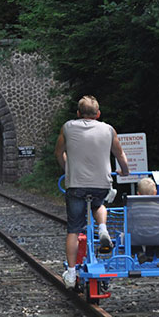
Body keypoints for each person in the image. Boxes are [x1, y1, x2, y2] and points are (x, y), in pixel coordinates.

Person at [55, 95, 130, 288]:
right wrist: (125, 171)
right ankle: (103, 228)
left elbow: (58, 152)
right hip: (101, 183)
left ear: (78, 113)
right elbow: (119, 154)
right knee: (99, 204)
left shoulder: (68, 127)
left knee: (73, 228)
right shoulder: (108, 129)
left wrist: (66, 167)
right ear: (98, 114)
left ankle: (71, 274)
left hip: (76, 184)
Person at [128, 177, 159, 265]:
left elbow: (129, 224)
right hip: (155, 237)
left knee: (130, 236)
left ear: (138, 194)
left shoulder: (134, 207)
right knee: (156, 235)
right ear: (155, 193)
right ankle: (150, 254)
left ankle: (139, 252)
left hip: (138, 236)